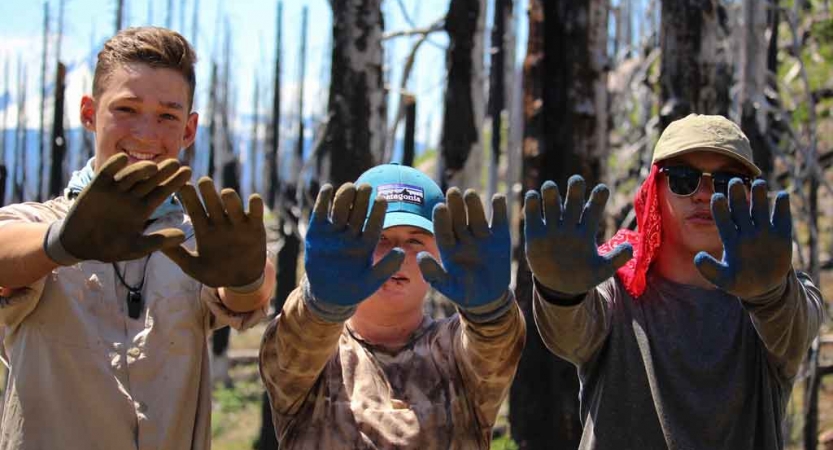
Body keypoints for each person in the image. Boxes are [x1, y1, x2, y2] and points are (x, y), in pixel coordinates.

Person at [0, 26, 274, 449]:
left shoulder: (194, 239)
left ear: (189, 130)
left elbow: (247, 297)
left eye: (167, 115)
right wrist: (62, 244)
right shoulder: (40, 222)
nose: (147, 134)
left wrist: (246, 278)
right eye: (126, 109)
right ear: (89, 113)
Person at [524, 114, 824, 449]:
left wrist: (770, 295)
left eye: (726, 182)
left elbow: (793, 331)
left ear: (751, 196)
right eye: (684, 179)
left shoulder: (781, 298)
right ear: (654, 189)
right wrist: (561, 294)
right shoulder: (615, 286)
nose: (705, 193)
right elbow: (569, 335)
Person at [259, 164, 525, 448]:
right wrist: (319, 305)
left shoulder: (455, 353)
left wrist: (490, 312)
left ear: (442, 253)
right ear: (346, 248)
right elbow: (291, 352)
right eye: (380, 238)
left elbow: (495, 349)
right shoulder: (316, 356)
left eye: (415, 239)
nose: (397, 253)